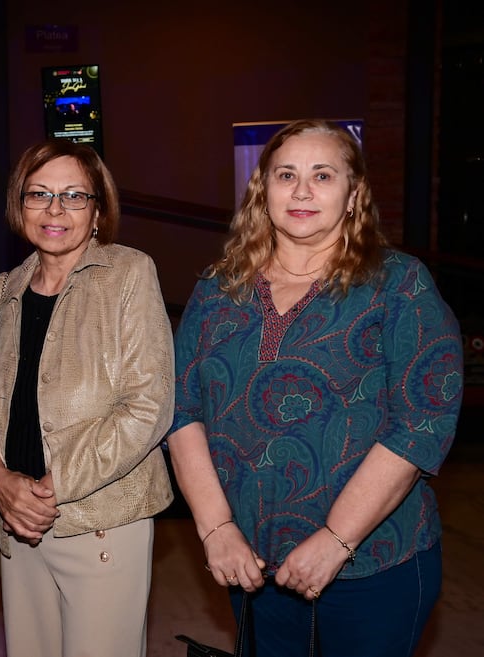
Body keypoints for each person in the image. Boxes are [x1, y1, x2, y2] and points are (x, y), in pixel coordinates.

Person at [167, 119, 464, 657]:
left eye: (323, 175)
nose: (302, 190)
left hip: (372, 563)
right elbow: (181, 410)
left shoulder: (398, 284)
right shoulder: (217, 288)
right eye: (286, 175)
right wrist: (215, 530)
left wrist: (336, 540)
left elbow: (423, 422)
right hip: (251, 562)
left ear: (354, 196)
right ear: (263, 192)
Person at [0, 139, 174, 657]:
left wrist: (48, 490)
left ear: (98, 210)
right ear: (20, 207)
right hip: (16, 529)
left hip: (102, 523)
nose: (55, 209)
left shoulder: (129, 274)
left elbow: (148, 408)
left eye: (74, 196)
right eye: (39, 194)